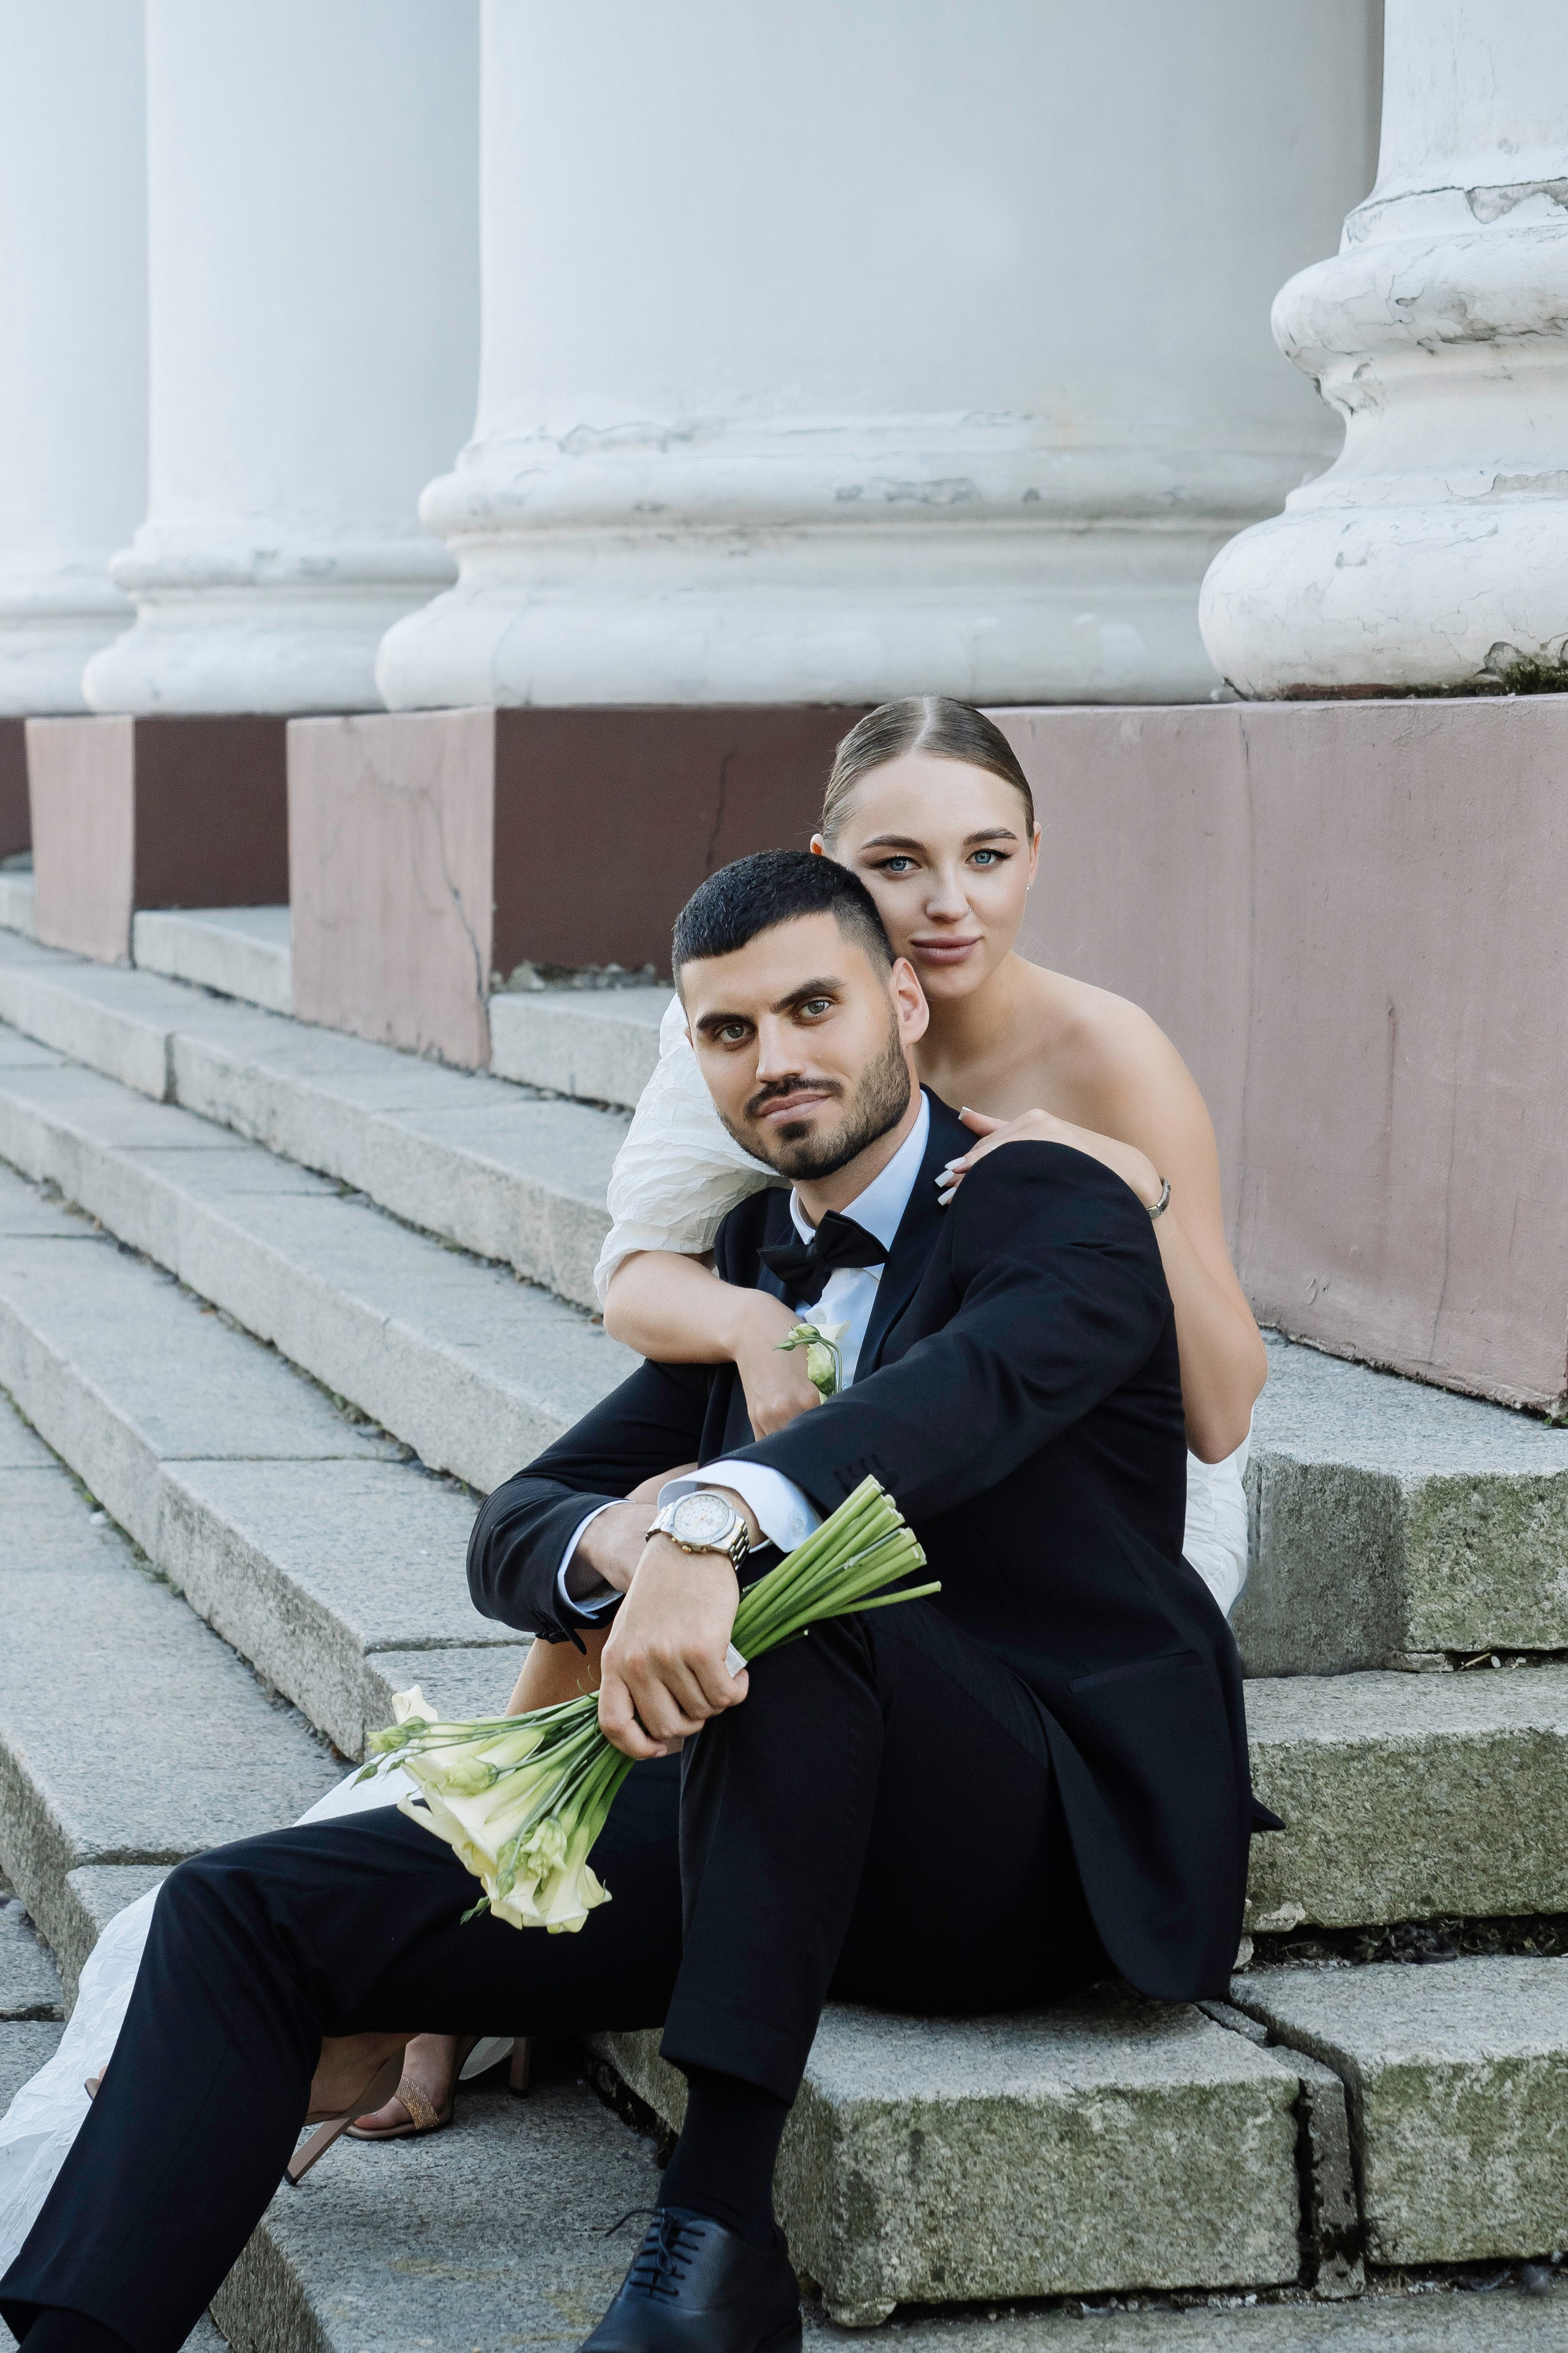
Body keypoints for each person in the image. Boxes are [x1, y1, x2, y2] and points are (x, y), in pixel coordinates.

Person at [1, 849, 1271, 2353]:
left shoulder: (1049, 1201)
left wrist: (721, 1521)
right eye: (728, 1032)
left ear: (905, 1001)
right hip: (784, 1834)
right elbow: (518, 1523)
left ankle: (714, 2240)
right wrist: (634, 1532)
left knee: (798, 1600)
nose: (776, 1058)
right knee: (240, 1915)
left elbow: (962, 1398)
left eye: (813, 1007)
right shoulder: (748, 1264)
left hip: (1032, 1833)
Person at [363, 695, 1267, 2142]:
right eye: (897, 864)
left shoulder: (1106, 1051)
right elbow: (641, 1279)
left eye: (982, 855)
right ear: (828, 861)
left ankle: (627, 2070)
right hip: (829, 1409)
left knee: (764, 1550)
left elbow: (1217, 1414)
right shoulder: (760, 1022)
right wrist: (748, 1337)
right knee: (677, 1515)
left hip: (1073, 1491)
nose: (944, 902)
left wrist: (1122, 1190)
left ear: (1034, 856)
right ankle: (482, 1925)